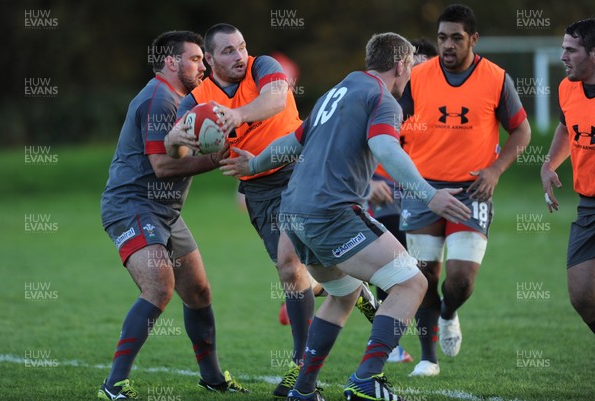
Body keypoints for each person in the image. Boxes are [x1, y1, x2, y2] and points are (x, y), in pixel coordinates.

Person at [220, 32, 471, 401]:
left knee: (343, 295)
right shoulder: (382, 99)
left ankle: (303, 389)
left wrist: (254, 162)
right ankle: (366, 379)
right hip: (331, 215)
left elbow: (292, 143)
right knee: (413, 284)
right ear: (401, 64)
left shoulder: (336, 92)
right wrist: (429, 195)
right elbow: (385, 147)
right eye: (412, 69)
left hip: (294, 217)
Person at [167, 23, 316, 399]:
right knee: (291, 271)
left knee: (290, 264)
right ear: (211, 58)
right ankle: (344, 285)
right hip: (258, 186)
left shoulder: (261, 65)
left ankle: (302, 364)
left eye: (242, 47)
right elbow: (177, 146)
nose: (239, 56)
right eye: (228, 51)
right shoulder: (198, 97)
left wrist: (237, 116)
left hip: (298, 167)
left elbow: (277, 99)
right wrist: (175, 140)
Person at [98, 31, 247, 400]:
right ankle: (114, 384)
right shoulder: (159, 99)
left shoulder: (184, 102)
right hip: (132, 205)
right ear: (170, 62)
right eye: (195, 59)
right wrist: (217, 159)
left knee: (197, 291)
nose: (202, 66)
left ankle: (212, 379)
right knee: (160, 287)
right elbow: (162, 166)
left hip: (165, 212)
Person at [398, 4, 531, 376]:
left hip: (473, 191)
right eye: (442, 37)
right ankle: (428, 358)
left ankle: (449, 312)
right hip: (422, 190)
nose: (448, 45)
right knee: (423, 277)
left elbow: (521, 131)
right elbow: (392, 127)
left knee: (460, 279)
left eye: (456, 38)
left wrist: (495, 170)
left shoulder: (496, 78)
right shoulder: (417, 76)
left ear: (473, 39)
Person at [367, 38, 438, 364]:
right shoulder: (385, 99)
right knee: (392, 264)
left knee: (421, 269)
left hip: (423, 189)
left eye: (424, 65)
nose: (417, 71)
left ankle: (429, 346)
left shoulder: (440, 106)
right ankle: (392, 345)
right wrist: (369, 181)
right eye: (414, 64)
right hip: (385, 189)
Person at [540, 18, 595, 335]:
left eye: (571, 50)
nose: (563, 57)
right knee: (581, 294)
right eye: (563, 49)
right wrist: (549, 165)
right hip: (588, 206)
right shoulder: (567, 88)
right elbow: (566, 126)